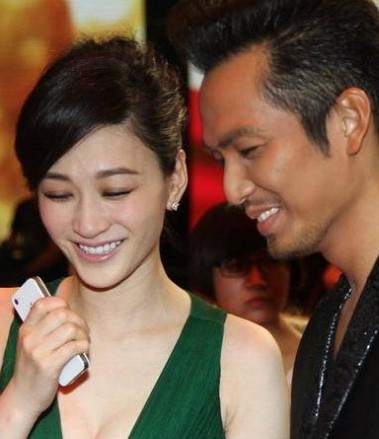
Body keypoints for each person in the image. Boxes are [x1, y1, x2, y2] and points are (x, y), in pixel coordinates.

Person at [0, 35, 289, 438]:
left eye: (116, 191)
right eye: (59, 194)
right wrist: (18, 405)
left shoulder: (243, 360)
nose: (87, 223)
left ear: (175, 179)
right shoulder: (5, 324)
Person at [167, 0, 379, 438]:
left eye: (250, 150)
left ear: (349, 120)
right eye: (221, 159)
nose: (232, 190)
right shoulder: (325, 326)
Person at [189, 202, 303, 383]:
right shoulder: (189, 360)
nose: (257, 281)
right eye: (236, 266)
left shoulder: (324, 349)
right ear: (208, 276)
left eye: (269, 262)